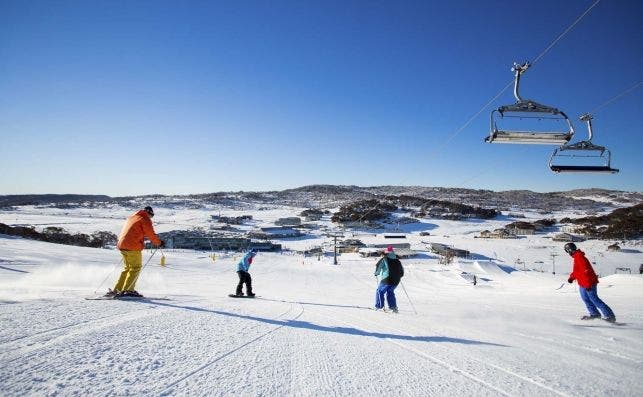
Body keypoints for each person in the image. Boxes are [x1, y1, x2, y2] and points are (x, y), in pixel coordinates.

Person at [107, 206, 164, 298]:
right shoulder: (144, 219)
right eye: (151, 216)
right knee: (135, 268)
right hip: (133, 246)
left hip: (122, 245)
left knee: (127, 268)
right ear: (149, 213)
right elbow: (150, 233)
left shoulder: (132, 218)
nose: (150, 218)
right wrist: (159, 242)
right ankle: (128, 290)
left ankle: (118, 289)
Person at [565, 242, 616, 322]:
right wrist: (571, 277)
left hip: (589, 283)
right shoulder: (576, 257)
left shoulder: (579, 257)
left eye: (567, 251)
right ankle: (594, 314)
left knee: (594, 299)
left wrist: (588, 284)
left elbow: (586, 271)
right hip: (582, 283)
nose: (567, 253)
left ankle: (609, 316)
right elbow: (577, 271)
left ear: (569, 250)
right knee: (586, 299)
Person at [374, 246, 404, 313]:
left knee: (380, 291)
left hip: (387, 279)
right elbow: (402, 271)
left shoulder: (384, 259)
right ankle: (393, 307)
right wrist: (398, 276)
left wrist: (376, 273)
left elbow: (378, 266)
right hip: (396, 280)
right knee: (390, 292)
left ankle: (379, 306)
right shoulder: (397, 260)